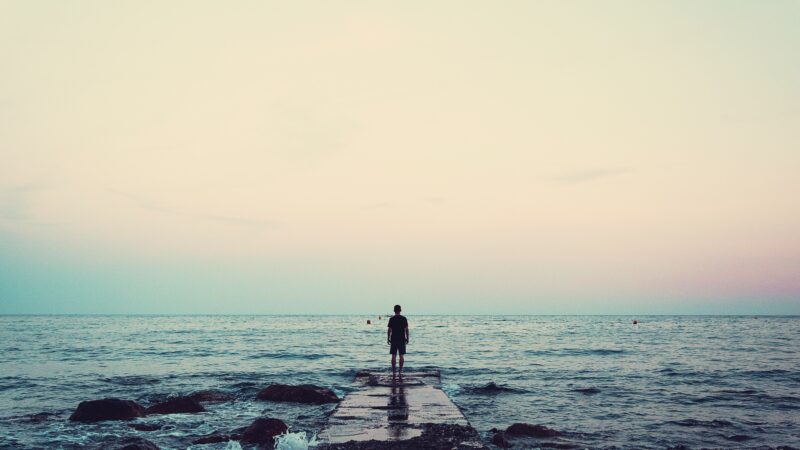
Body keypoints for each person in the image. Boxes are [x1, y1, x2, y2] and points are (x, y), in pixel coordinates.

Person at [387, 304, 409, 374]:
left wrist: (388, 338)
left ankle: (394, 370)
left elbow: (389, 330)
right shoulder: (404, 318)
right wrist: (407, 338)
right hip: (402, 339)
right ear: (400, 310)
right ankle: (400, 370)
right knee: (401, 355)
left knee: (393, 355)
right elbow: (406, 329)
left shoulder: (391, 319)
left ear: (394, 310)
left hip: (394, 339)